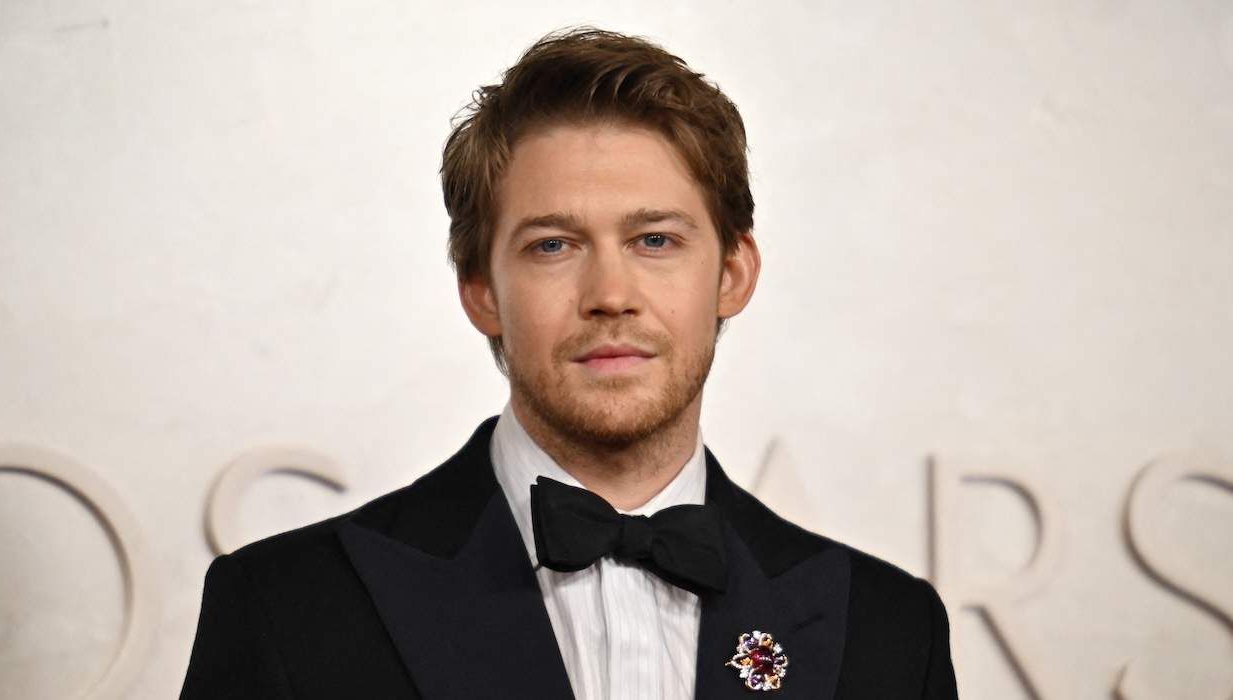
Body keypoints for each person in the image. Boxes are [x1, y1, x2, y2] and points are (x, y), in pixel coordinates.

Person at [179, 27, 958, 699]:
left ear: (732, 274)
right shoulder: (287, 609)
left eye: (655, 240)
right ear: (481, 291)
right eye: (552, 246)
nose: (610, 295)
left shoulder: (889, 630)